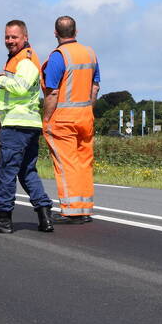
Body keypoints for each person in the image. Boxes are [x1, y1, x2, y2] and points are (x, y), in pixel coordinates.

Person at [0, 20, 54, 234]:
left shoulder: (26, 60)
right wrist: (0, 117)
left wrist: (1, 79)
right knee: (26, 171)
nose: (10, 41)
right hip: (24, 124)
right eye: (7, 37)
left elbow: (20, 88)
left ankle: (3, 220)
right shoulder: (17, 59)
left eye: (14, 37)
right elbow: (16, 98)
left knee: (6, 172)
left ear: (25, 37)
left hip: (18, 128)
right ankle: (44, 213)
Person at [41, 15, 99, 224]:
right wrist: (88, 110)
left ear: (55, 33)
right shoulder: (90, 54)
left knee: (67, 164)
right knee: (84, 162)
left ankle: (72, 210)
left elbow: (53, 93)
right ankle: (84, 208)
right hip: (86, 117)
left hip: (64, 119)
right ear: (76, 31)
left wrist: (46, 118)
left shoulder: (59, 56)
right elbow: (95, 86)